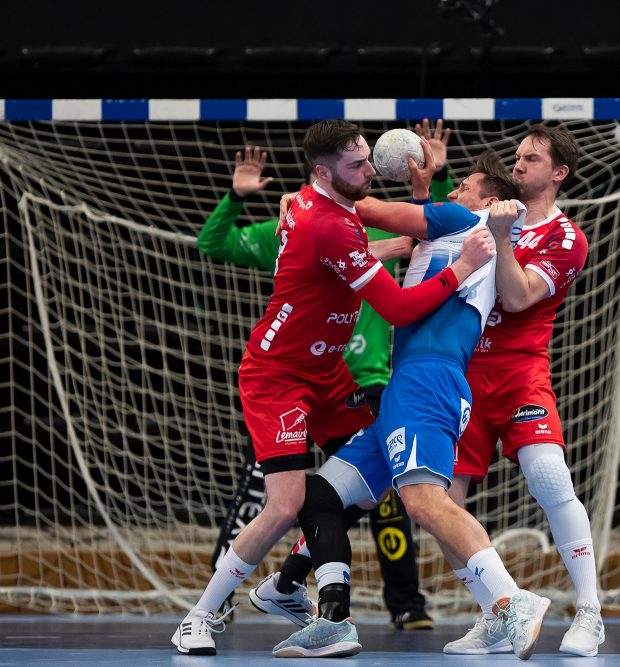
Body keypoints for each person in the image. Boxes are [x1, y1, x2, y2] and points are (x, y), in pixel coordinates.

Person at [171, 119, 494, 656]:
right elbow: (396, 307)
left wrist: (414, 222)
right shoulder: (330, 225)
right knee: (284, 505)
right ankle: (200, 616)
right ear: (322, 171)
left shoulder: (314, 203)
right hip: (278, 376)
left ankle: (293, 586)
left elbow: (362, 244)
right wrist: (462, 266)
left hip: (327, 374)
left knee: (369, 477)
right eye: (357, 165)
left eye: (369, 158)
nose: (370, 170)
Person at [271, 151, 552, 660]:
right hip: (416, 382)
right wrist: (421, 193)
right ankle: (330, 620)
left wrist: (308, 200)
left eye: (460, 185)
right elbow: (422, 241)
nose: (450, 192)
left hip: (425, 379)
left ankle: (511, 599)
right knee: (322, 496)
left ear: (487, 201)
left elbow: (368, 209)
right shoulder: (463, 229)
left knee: (423, 502)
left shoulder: (464, 220)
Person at [441, 123, 603, 658]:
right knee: (440, 506)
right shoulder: (481, 219)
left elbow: (516, 298)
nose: (519, 164)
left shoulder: (565, 238)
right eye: (516, 157)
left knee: (550, 477)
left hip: (519, 373)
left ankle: (589, 612)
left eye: (532, 158)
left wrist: (503, 235)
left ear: (558, 172)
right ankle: (498, 612)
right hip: (461, 374)